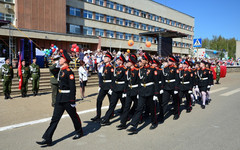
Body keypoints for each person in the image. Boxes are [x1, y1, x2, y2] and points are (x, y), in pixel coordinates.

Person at [36, 50, 83, 146]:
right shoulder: (60, 70)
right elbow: (51, 69)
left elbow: (73, 88)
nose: (59, 60)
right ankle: (48, 138)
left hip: (67, 99)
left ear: (65, 61)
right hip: (60, 98)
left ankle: (79, 131)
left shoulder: (69, 72)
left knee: (73, 116)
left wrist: (72, 100)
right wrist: (56, 65)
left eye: (61, 58)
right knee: (55, 119)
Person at [127, 52, 158, 134]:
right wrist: (138, 92)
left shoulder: (152, 69)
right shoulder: (140, 69)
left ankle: (154, 122)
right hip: (142, 91)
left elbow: (156, 82)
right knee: (139, 108)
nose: (141, 60)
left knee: (152, 108)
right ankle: (134, 125)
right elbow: (139, 81)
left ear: (147, 61)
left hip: (150, 91)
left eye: (143, 59)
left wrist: (156, 94)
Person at [101, 54, 127, 125]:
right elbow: (113, 79)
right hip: (115, 88)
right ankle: (106, 119)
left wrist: (125, 91)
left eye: (118, 60)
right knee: (112, 104)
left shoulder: (124, 69)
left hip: (122, 89)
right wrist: (112, 88)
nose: (117, 61)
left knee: (125, 105)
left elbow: (126, 81)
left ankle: (126, 117)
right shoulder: (116, 68)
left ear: (121, 61)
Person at [117, 54, 139, 130]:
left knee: (137, 106)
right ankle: (123, 123)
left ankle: (139, 119)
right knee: (126, 107)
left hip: (135, 91)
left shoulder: (137, 71)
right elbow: (126, 82)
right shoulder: (128, 71)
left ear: (132, 63)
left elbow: (139, 82)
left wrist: (139, 92)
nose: (127, 63)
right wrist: (125, 91)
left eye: (128, 62)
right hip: (129, 91)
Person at [91, 52, 114, 122]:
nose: (104, 59)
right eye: (104, 57)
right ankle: (98, 115)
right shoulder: (104, 66)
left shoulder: (111, 68)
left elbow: (113, 78)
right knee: (99, 100)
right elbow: (102, 77)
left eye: (106, 58)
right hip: (103, 86)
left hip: (109, 86)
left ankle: (110, 114)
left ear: (109, 59)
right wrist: (100, 85)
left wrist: (111, 88)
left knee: (111, 102)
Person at [161, 55, 180, 121]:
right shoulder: (165, 68)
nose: (168, 61)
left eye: (169, 61)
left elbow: (177, 79)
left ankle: (176, 113)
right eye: (168, 60)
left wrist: (176, 88)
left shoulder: (175, 69)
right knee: (164, 101)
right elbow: (163, 78)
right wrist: (162, 87)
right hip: (166, 87)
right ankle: (162, 115)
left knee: (175, 101)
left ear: (172, 62)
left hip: (173, 86)